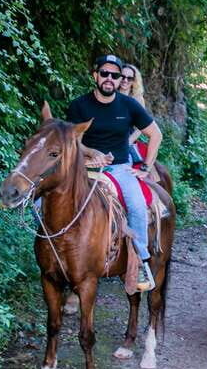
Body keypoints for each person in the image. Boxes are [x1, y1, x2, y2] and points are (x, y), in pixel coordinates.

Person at [66, 54, 161, 292]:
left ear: (120, 80)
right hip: (84, 168)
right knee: (43, 200)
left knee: (138, 207)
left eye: (115, 75)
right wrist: (90, 151)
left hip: (119, 168)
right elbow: (72, 141)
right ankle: (53, 252)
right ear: (95, 75)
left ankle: (138, 261)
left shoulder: (129, 105)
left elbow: (155, 135)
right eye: (105, 73)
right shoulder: (78, 105)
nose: (109, 79)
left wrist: (145, 167)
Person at [118, 63, 145, 165]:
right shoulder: (110, 94)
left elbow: (141, 128)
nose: (125, 80)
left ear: (134, 81)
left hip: (126, 140)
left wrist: (128, 142)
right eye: (123, 76)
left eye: (129, 78)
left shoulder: (138, 99)